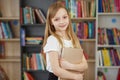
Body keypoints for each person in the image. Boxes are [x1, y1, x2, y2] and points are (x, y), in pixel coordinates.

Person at [43, 1, 88, 80]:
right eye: (56, 19)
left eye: (64, 17)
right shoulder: (53, 40)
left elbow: (85, 65)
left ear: (68, 17)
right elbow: (56, 70)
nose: (62, 22)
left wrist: (70, 66)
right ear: (51, 22)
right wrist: (75, 76)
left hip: (71, 75)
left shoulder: (73, 38)